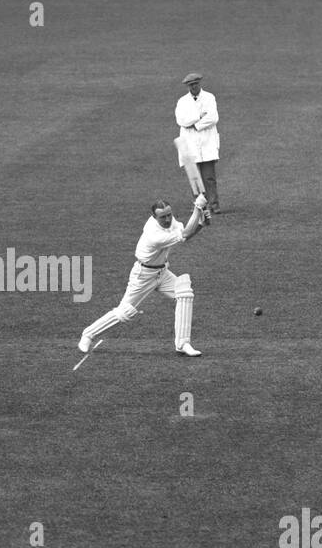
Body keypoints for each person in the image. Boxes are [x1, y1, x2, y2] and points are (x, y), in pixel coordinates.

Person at [77, 198, 208, 358]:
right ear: (154, 217)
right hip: (143, 275)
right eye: (163, 217)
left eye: (169, 215)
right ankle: (88, 334)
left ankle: (183, 344)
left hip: (162, 272)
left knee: (185, 294)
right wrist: (197, 207)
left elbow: (186, 235)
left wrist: (201, 223)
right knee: (125, 312)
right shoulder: (154, 235)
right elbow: (186, 232)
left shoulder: (170, 221)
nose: (167, 220)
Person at [175, 72, 222, 213]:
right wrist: (198, 116)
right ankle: (199, 205)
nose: (193, 87)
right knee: (194, 178)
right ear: (187, 86)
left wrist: (196, 125)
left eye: (195, 84)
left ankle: (214, 205)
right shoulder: (182, 101)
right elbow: (181, 121)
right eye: (191, 85)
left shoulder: (209, 97)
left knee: (209, 177)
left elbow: (213, 118)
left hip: (207, 142)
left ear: (199, 83)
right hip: (189, 143)